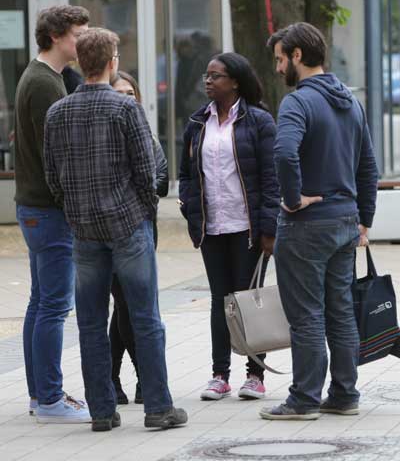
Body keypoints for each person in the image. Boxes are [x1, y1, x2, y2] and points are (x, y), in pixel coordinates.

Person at [44, 27, 187, 431]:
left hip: (84, 229)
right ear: (112, 63)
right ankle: (158, 407)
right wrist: (139, 213)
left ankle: (102, 411)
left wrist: (77, 211)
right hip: (127, 227)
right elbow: (148, 173)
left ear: (79, 62)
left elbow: (53, 178)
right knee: (145, 318)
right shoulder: (127, 110)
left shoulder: (58, 112)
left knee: (90, 322)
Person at [260, 22, 379, 420]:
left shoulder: (298, 102)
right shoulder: (351, 100)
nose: (278, 68)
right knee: (340, 311)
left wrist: (292, 199)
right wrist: (365, 218)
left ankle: (303, 400)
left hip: (307, 225)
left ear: (297, 56)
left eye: (280, 59)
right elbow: (368, 164)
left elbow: (284, 153)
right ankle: (345, 394)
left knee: (306, 314)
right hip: (345, 222)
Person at [179, 53, 280, 401]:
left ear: (235, 81)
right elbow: (187, 176)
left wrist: (269, 228)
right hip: (212, 227)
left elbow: (272, 178)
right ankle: (219, 375)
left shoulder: (260, 122)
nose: (208, 81)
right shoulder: (196, 124)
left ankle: (255, 374)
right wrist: (190, 210)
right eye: (206, 76)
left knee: (249, 299)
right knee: (220, 301)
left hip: (248, 228)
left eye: (216, 76)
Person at [14, 5, 91, 423]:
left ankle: (40, 394)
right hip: (47, 210)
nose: (84, 39)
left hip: (35, 208)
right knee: (54, 306)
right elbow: (57, 155)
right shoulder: (45, 83)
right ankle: (49, 399)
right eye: (80, 32)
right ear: (58, 35)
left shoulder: (44, 76)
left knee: (41, 302)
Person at [108, 71, 169, 405]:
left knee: (125, 307)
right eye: (119, 92)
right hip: (115, 232)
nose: (127, 98)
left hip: (144, 229)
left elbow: (160, 180)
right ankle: (142, 376)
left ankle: (114, 378)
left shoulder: (145, 133)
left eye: (131, 92)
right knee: (130, 306)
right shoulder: (103, 135)